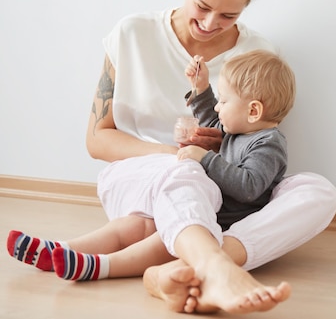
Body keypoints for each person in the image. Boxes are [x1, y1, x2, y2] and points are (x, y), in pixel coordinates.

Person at [8, 0, 336, 314]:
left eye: (229, 15)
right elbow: (98, 139)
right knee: (184, 172)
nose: (211, 23)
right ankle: (216, 266)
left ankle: (183, 268)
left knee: (318, 190)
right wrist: (181, 156)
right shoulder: (133, 34)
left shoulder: (258, 57)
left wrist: (208, 150)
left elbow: (246, 145)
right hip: (142, 180)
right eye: (202, 6)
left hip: (220, 197)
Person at [8, 49, 297, 312]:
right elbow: (212, 120)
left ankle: (100, 266)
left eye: (223, 101)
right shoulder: (238, 130)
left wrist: (205, 159)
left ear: (254, 111)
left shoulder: (268, 145)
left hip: (221, 223)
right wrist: (200, 89)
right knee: (132, 224)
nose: (218, 108)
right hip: (199, 208)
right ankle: (64, 248)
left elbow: (248, 187)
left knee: (158, 242)